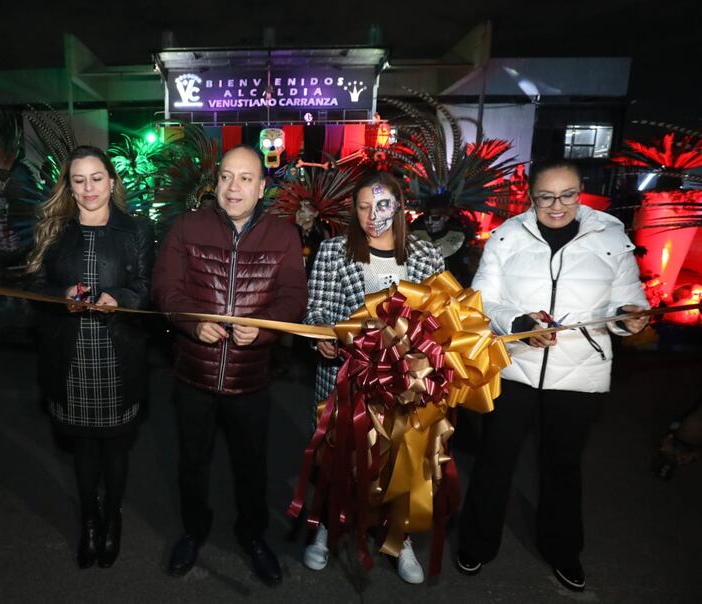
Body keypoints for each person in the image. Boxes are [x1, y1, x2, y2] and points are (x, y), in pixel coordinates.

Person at [456, 159, 649, 592]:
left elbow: (627, 300)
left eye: (567, 195)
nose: (557, 205)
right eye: (546, 196)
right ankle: (476, 541)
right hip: (514, 369)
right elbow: (483, 302)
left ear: (582, 192)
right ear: (531, 196)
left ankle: (563, 551)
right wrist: (521, 324)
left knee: (562, 466)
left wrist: (627, 318)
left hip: (579, 374)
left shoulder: (611, 238)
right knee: (495, 459)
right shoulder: (506, 236)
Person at [152, 145, 307, 586]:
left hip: (250, 378)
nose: (232, 187)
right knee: (191, 462)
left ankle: (252, 536)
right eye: (225, 177)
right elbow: (165, 287)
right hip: (193, 376)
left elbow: (293, 297)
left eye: (244, 178)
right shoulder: (187, 226)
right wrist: (190, 321)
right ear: (215, 182)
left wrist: (263, 329)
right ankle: (192, 530)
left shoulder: (284, 236)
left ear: (261, 187)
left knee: (251, 464)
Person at [302, 171, 445, 584]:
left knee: (401, 463)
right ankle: (327, 528)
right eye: (363, 206)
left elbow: (440, 320)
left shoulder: (425, 255)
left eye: (381, 205)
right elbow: (317, 311)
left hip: (406, 388)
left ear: (399, 207)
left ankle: (400, 539)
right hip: (346, 381)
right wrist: (324, 339)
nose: (371, 215)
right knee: (338, 460)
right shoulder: (332, 251)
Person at [25, 145, 153, 569]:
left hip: (119, 354)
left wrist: (124, 298)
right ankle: (90, 522)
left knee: (116, 448)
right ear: (69, 186)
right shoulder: (55, 230)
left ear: (111, 181)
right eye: (78, 180)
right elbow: (35, 289)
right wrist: (61, 297)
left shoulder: (136, 230)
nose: (89, 188)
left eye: (96, 178)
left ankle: (112, 517)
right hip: (71, 353)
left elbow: (150, 286)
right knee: (83, 448)